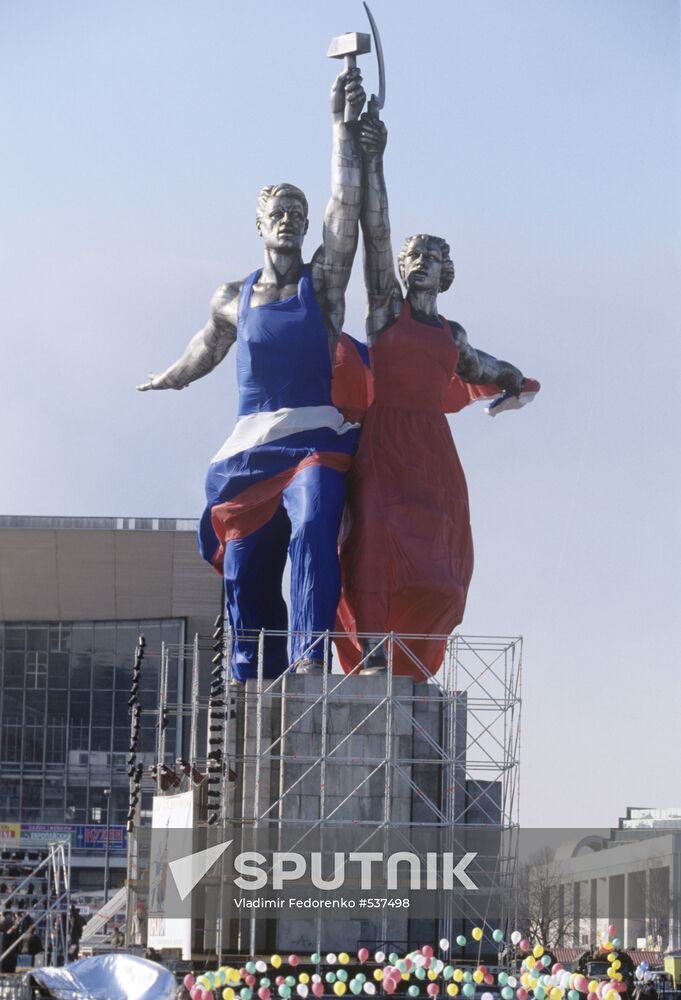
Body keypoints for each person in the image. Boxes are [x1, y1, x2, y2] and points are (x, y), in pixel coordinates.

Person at [138, 70, 366, 682]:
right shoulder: (231, 297)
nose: (290, 219)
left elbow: (345, 214)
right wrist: (172, 376)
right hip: (249, 451)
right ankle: (253, 672)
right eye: (278, 211)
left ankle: (310, 657)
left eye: (297, 211)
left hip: (314, 440)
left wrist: (341, 131)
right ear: (259, 225)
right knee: (244, 564)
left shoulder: (322, 287)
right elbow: (207, 346)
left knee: (316, 518)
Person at [336, 111, 539, 680]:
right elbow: (374, 231)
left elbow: (489, 367)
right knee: (373, 534)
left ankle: (413, 654)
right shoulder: (384, 313)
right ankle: (374, 647)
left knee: (442, 570)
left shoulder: (452, 336)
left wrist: (513, 381)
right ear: (401, 270)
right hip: (384, 444)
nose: (422, 264)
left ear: (446, 273)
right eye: (414, 257)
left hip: (433, 457)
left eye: (433, 258)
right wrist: (373, 159)